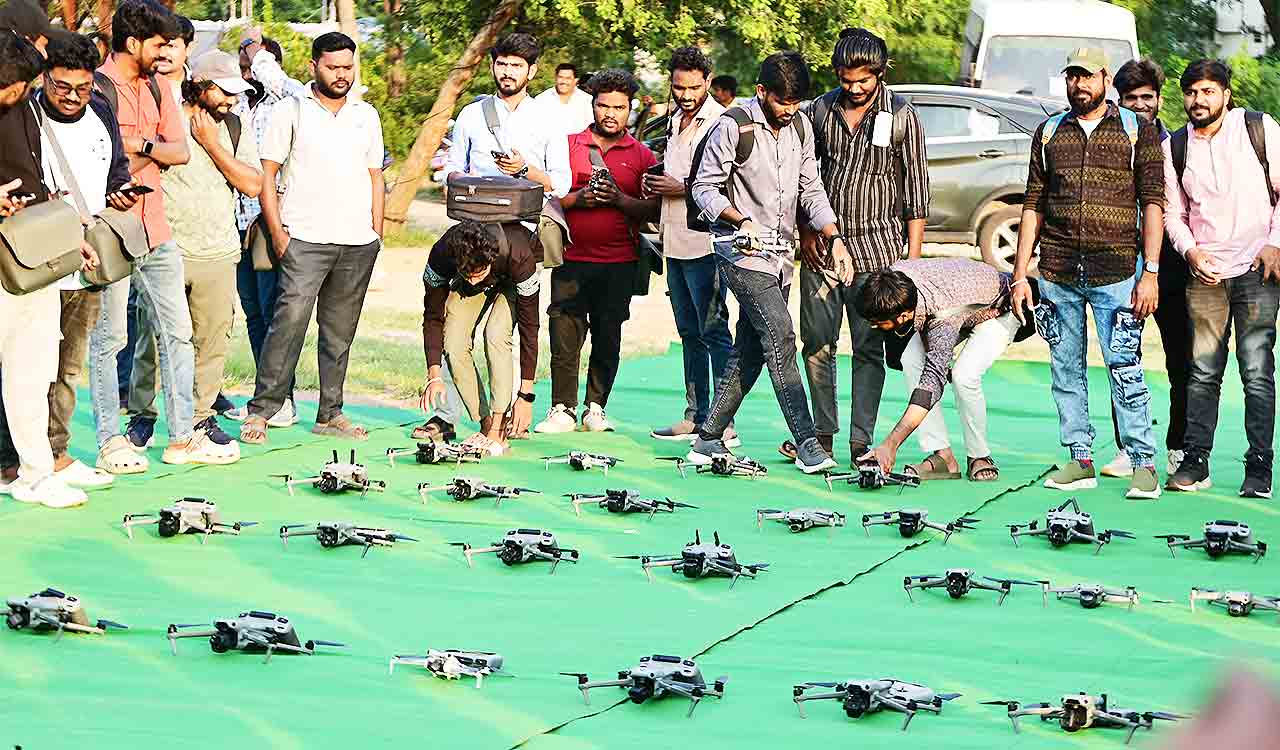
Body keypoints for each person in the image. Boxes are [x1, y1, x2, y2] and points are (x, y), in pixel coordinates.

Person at [688, 51, 855, 474]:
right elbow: (703, 190)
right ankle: (807, 443)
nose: (790, 111)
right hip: (739, 253)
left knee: (751, 349)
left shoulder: (799, 126)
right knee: (781, 336)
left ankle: (707, 439)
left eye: (796, 103)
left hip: (780, 257)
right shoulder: (733, 126)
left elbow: (811, 188)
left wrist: (833, 236)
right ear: (761, 92)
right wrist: (739, 219)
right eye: (782, 102)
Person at [1010, 47, 1164, 499]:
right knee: (1065, 370)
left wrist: (1150, 272)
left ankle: (1143, 463)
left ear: (1104, 78)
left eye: (1086, 77)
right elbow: (1032, 205)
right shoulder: (1049, 132)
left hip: (1118, 272)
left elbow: (1153, 203)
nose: (1078, 85)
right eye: (1070, 77)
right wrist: (1021, 274)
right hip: (1058, 272)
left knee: (1125, 368)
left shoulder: (1139, 130)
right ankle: (1080, 458)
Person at [786, 28, 930, 469]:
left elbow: (918, 194)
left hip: (881, 256)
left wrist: (912, 263)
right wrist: (807, 232)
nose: (854, 88)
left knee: (869, 351)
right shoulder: (818, 112)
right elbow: (800, 178)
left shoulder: (904, 116)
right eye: (846, 79)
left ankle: (860, 441)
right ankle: (822, 439)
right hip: (823, 253)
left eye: (863, 80)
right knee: (817, 345)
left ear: (881, 73)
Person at [238, 31, 385, 445]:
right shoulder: (291, 110)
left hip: (356, 241)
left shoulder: (365, 114)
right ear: (313, 66)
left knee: (339, 331)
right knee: (287, 326)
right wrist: (279, 233)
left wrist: (376, 230)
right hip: (303, 237)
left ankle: (330, 412)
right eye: (332, 67)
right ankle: (263, 411)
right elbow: (267, 174)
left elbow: (376, 173)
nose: (341, 75)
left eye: (347, 67)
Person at [421, 31, 568, 442]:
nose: (508, 72)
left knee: (497, 336)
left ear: (532, 70)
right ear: (493, 66)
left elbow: (561, 181)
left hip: (520, 242)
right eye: (502, 63)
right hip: (471, 242)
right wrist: (467, 180)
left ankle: (503, 421)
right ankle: (483, 419)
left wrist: (522, 171)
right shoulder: (471, 114)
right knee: (454, 337)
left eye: (517, 65)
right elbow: (451, 169)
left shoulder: (548, 119)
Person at [89, 0, 212, 475]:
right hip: (112, 231)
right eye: (159, 44)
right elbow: (100, 168)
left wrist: (139, 149)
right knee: (110, 338)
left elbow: (178, 152)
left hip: (157, 227)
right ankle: (109, 441)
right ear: (133, 43)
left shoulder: (160, 87)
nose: (166, 53)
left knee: (177, 333)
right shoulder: (96, 87)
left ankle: (182, 437)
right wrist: (139, 160)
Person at [127, 50, 261, 464]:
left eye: (237, 92)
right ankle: (143, 415)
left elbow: (253, 184)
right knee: (154, 338)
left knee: (211, 340)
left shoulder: (235, 126)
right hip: (167, 248)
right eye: (223, 92)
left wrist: (211, 144)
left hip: (219, 249)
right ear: (199, 86)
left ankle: (201, 417)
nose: (231, 101)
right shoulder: (166, 118)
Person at [1163, 59, 1280, 499]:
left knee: (1256, 371)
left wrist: (1275, 243)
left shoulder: (1257, 128)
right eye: (1192, 93)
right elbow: (1174, 214)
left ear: (1226, 95)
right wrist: (1191, 251)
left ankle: (1259, 467)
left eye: (1208, 91)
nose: (1199, 100)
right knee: (1202, 372)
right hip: (1206, 274)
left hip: (1258, 270)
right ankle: (1196, 462)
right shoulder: (1175, 146)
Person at [0, 30, 99, 507]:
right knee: (24, 363)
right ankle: (31, 472)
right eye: (18, 85)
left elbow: (39, 182)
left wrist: (68, 240)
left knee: (35, 363)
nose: (24, 93)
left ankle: (34, 473)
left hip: (30, 251)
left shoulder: (24, 110)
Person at [35, 32, 137, 491]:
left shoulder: (101, 110)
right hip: (36, 263)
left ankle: (56, 452)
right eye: (62, 87)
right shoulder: (27, 113)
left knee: (68, 365)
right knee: (26, 363)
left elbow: (118, 168)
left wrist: (120, 192)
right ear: (45, 76)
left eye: (81, 87)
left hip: (90, 261)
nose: (73, 97)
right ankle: (18, 457)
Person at [532, 68, 659, 434]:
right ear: (593, 104)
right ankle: (561, 408)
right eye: (604, 105)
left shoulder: (642, 155)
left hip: (620, 261)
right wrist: (579, 199)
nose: (610, 114)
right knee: (564, 332)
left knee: (608, 334)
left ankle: (596, 407)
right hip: (571, 257)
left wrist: (620, 200)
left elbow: (652, 209)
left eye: (619, 107)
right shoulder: (568, 145)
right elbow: (549, 198)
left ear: (630, 109)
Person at [1098, 57, 1189, 479]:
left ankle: (1178, 446)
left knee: (1180, 361)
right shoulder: (1109, 142)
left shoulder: (1178, 146)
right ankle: (1127, 447)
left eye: (1146, 97)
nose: (1139, 105)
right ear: (1119, 100)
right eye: (1130, 98)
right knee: (1122, 359)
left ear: (1159, 99)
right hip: (1119, 266)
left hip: (1171, 267)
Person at [644, 46, 735, 446]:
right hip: (674, 239)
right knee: (688, 332)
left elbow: (729, 184)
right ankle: (695, 416)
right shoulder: (674, 120)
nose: (684, 94)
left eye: (693, 87)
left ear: (708, 82)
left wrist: (679, 189)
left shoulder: (722, 122)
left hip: (707, 241)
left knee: (715, 331)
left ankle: (723, 422)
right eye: (678, 86)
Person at [856, 259, 1020, 482]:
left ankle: (979, 456)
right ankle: (943, 457)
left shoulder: (943, 319)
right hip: (959, 299)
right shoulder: (893, 279)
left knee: (964, 375)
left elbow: (931, 383)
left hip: (998, 308)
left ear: (902, 316)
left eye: (877, 322)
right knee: (911, 358)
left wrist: (890, 444)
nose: (873, 326)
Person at [225, 28, 306, 427]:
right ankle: (266, 396)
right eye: (242, 67)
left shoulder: (286, 100)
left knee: (276, 313)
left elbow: (285, 85)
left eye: (253, 66)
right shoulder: (238, 104)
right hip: (236, 223)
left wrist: (260, 54)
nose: (247, 74)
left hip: (267, 220)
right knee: (253, 313)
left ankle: (281, 400)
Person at [420, 220, 541, 455]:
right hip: (478, 270)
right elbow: (433, 317)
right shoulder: (441, 255)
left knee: (496, 333)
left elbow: (529, 329)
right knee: (454, 342)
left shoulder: (519, 256)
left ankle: (498, 428)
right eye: (468, 274)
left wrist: (526, 396)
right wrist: (434, 375)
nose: (474, 280)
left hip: (512, 273)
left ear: (489, 261)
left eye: (479, 273)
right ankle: (486, 424)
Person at [534, 62, 592, 136]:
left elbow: (591, 128)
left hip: (579, 145)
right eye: (560, 77)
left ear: (575, 80)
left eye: (568, 78)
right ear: (555, 78)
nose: (564, 81)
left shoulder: (587, 100)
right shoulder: (542, 100)